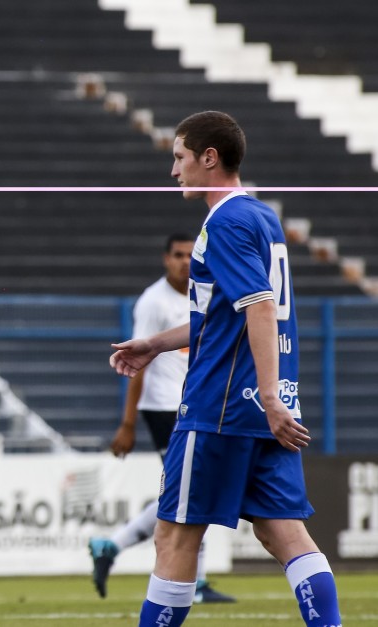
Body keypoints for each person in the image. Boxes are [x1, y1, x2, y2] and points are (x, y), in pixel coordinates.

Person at [110, 111, 341, 626]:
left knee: (174, 536)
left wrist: (268, 396)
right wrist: (155, 343)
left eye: (179, 158)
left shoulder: (227, 222)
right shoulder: (263, 217)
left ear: (208, 158)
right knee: (284, 533)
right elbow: (227, 316)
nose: (174, 172)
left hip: (220, 408)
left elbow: (258, 307)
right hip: (262, 406)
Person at [88, 234, 234, 604]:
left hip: (194, 401)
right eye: (178, 255)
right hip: (164, 406)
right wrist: (128, 422)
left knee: (192, 488)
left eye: (190, 255)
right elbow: (137, 362)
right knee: (192, 488)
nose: (185, 262)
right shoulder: (153, 301)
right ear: (165, 259)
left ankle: (111, 546)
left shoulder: (203, 291)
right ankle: (194, 582)